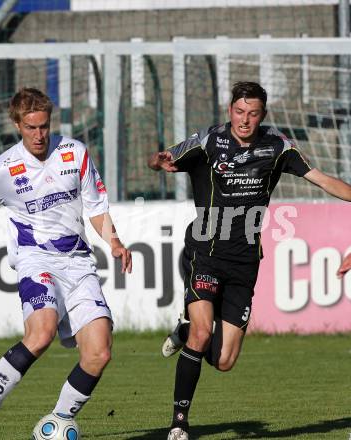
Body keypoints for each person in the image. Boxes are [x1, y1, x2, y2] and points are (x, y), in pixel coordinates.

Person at [0, 87, 132, 440]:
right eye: (31, 128)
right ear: (17, 124)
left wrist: (114, 241)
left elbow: (95, 206)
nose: (39, 135)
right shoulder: (2, 169)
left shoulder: (74, 153)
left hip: (78, 263)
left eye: (44, 126)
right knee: (41, 333)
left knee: (99, 353)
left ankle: (55, 424)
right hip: (36, 260)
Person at [148, 81, 351, 440]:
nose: (245, 120)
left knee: (224, 361)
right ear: (230, 111)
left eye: (253, 113)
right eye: (240, 112)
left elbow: (321, 180)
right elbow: (162, 160)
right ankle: (179, 423)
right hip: (205, 254)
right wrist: (158, 161)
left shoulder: (276, 146)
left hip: (245, 262)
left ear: (263, 115)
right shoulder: (209, 141)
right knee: (200, 332)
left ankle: (183, 330)